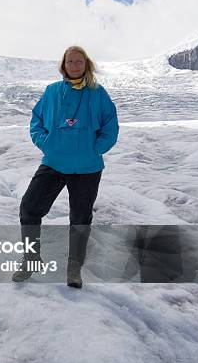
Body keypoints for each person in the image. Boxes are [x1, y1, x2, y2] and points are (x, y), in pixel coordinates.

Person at [12, 45, 119, 288]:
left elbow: (110, 125)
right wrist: (45, 143)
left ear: (86, 64)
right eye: (70, 62)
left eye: (79, 62)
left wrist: (96, 148)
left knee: (80, 218)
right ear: (64, 65)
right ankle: (30, 259)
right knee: (29, 209)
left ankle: (74, 269)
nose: (74, 65)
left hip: (87, 167)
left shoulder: (98, 93)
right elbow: (36, 121)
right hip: (54, 162)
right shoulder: (51, 92)